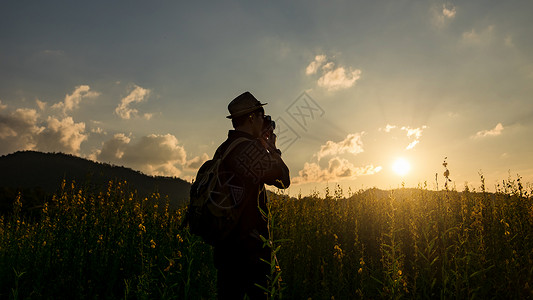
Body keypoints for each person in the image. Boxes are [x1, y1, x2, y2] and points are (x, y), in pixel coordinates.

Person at [213, 91, 290, 299]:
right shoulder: (248, 150)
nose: (264, 120)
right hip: (251, 251)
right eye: (261, 115)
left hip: (226, 250)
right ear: (251, 118)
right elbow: (283, 179)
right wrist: (273, 149)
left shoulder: (224, 149)